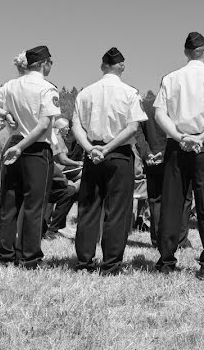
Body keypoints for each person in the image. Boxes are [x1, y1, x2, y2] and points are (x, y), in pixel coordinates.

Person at [153, 32, 204, 279]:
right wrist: (200, 137)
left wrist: (179, 137)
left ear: (186, 52)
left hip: (177, 146)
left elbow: (159, 114)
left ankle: (166, 260)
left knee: (172, 205)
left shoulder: (171, 78)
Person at [0, 45, 61, 269]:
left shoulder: (11, 85)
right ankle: (29, 257)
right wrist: (23, 145)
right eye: (51, 63)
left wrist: (5, 114)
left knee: (10, 202)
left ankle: (4, 255)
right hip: (35, 147)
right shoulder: (47, 88)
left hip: (13, 143)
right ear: (44, 63)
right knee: (34, 206)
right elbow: (45, 124)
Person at [72, 47, 148, 274]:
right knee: (117, 210)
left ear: (102, 66)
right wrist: (107, 148)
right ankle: (111, 263)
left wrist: (91, 149)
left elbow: (76, 126)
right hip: (118, 153)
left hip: (92, 152)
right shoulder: (130, 92)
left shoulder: (85, 92)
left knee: (88, 207)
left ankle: (84, 261)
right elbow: (133, 126)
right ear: (122, 66)